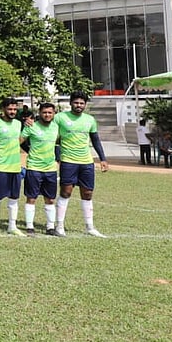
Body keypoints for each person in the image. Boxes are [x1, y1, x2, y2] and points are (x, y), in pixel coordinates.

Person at [54, 93, 108, 237]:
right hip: (68, 161)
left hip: (86, 162)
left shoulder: (90, 120)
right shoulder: (60, 118)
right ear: (71, 103)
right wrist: (57, 156)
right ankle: (59, 226)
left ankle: (90, 227)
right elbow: (52, 136)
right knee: (66, 192)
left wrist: (103, 159)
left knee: (88, 193)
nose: (79, 105)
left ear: (85, 105)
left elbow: (96, 140)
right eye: (76, 103)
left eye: (82, 103)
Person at [20, 102, 60, 235]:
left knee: (50, 199)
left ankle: (50, 227)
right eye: (44, 112)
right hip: (34, 167)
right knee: (31, 198)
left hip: (51, 169)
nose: (47, 115)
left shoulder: (56, 127)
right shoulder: (31, 126)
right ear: (40, 113)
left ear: (54, 114)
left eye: (50, 112)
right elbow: (18, 141)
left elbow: (61, 142)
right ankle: (30, 227)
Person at [0, 99, 24, 236]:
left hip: (15, 166)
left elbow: (19, 140)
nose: (13, 112)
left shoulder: (18, 124)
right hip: (1, 166)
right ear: (3, 109)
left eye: (15, 109)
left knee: (14, 197)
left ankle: (12, 226)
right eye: (10, 109)